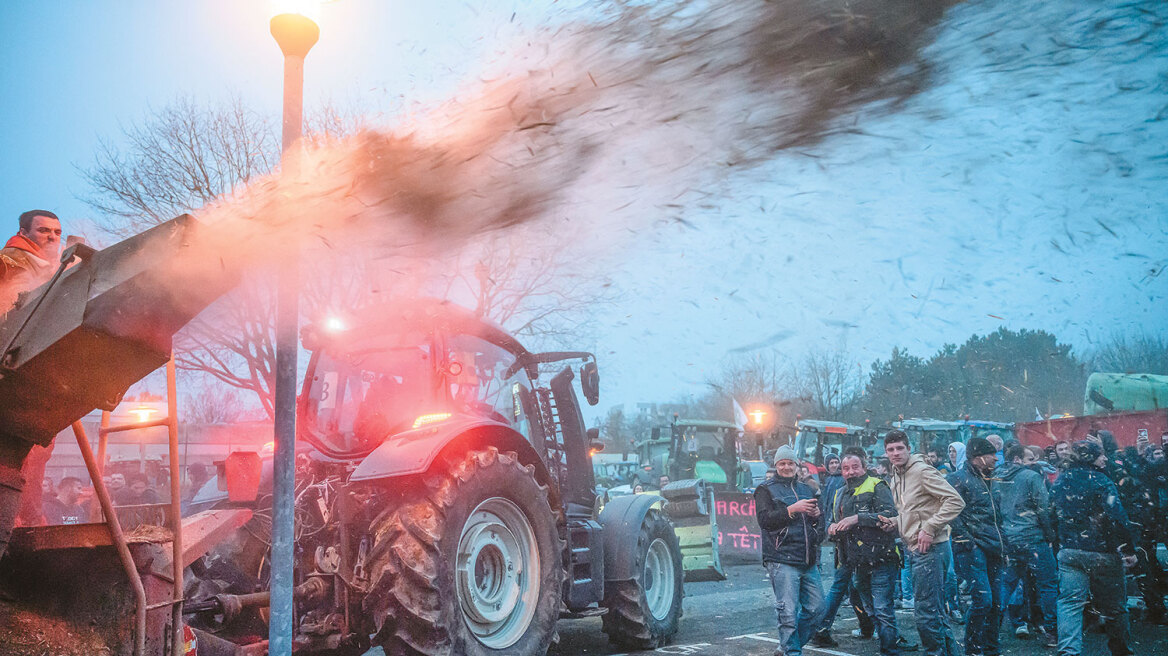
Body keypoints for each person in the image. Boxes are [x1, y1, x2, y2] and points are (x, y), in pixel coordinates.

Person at [1052, 440, 1137, 656]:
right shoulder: (1101, 481)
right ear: (1091, 458)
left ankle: (1069, 651)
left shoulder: (1061, 481)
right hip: (1102, 552)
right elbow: (1117, 517)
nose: (1105, 458)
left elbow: (1051, 515)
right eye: (1101, 455)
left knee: (1070, 604)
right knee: (1115, 608)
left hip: (1070, 551)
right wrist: (1128, 549)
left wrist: (1058, 543)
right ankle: (1121, 651)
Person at [886, 429, 964, 656]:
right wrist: (894, 522)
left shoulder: (921, 471)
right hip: (915, 548)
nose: (896, 453)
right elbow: (913, 511)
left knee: (926, 613)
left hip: (931, 549)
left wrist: (930, 528)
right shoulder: (896, 476)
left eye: (900, 448)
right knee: (935, 611)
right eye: (891, 449)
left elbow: (955, 501)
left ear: (909, 449)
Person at [828, 452, 909, 656]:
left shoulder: (877, 485)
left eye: (855, 466)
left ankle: (890, 650)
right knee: (871, 608)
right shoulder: (839, 492)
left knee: (882, 609)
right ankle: (889, 642)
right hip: (856, 561)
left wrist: (858, 518)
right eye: (846, 468)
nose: (850, 471)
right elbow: (831, 520)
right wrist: (831, 528)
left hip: (881, 557)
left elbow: (890, 516)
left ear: (864, 467)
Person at [755, 445, 825, 656]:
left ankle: (787, 647)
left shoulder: (808, 489)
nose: (786, 467)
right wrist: (792, 510)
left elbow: (820, 524)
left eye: (790, 463)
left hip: (807, 558)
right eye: (782, 463)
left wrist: (816, 523)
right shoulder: (765, 489)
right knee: (788, 613)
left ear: (797, 465)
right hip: (781, 557)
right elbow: (764, 521)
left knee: (819, 609)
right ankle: (792, 652)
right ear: (776, 465)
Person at [946, 437, 1004, 656]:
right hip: (973, 549)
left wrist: (1003, 544)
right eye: (992, 454)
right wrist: (967, 541)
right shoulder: (957, 479)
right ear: (979, 457)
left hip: (994, 547)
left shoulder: (992, 479)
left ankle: (991, 649)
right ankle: (973, 650)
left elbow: (997, 516)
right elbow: (952, 513)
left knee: (996, 603)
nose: (996, 458)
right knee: (983, 601)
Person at [998, 443, 1058, 647]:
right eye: (1029, 459)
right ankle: (1052, 632)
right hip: (1033, 538)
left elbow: (997, 510)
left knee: (1008, 584)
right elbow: (1043, 508)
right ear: (1017, 460)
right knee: (1048, 583)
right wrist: (1050, 535)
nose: (1034, 462)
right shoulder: (1031, 477)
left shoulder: (998, 478)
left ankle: (992, 626)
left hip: (1010, 538)